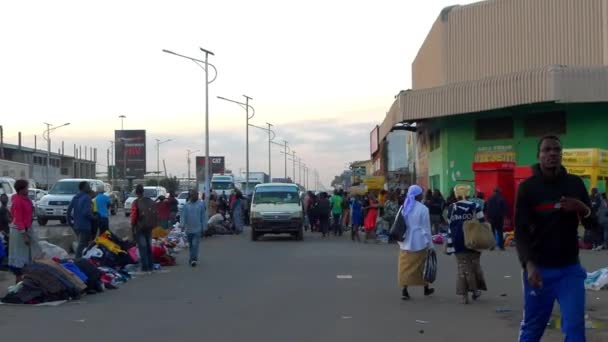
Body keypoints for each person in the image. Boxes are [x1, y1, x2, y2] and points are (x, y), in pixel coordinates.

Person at [515, 136, 597, 342]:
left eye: (557, 150)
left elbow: (593, 226)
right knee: (533, 327)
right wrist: (529, 264)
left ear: (561, 154)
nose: (552, 153)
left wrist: (581, 207)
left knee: (575, 326)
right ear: (539, 155)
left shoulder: (575, 184)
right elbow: (521, 230)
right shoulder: (528, 188)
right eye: (547, 150)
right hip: (539, 271)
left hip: (569, 270)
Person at [447, 184, 487, 304]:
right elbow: (482, 222)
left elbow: (450, 223)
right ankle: (475, 290)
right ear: (468, 194)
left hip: (457, 240)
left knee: (462, 267)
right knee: (474, 266)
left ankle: (464, 295)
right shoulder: (475, 206)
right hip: (473, 240)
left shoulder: (451, 207)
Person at [398, 185, 434, 300]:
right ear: (418, 195)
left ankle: (404, 290)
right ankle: (426, 288)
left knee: (404, 267)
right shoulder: (423, 209)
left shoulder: (404, 207)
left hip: (405, 241)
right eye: (421, 193)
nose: (422, 195)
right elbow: (426, 228)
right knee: (423, 265)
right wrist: (431, 244)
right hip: (419, 241)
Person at [8, 179, 39, 283]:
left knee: (28, 254)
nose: (27, 189)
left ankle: (26, 279)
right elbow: (18, 219)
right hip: (19, 231)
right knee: (19, 256)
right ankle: (19, 280)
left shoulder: (25, 199)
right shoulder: (17, 201)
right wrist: (24, 235)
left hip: (27, 228)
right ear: (20, 189)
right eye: (26, 187)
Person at [131, 184, 156, 273]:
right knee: (149, 246)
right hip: (149, 227)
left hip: (140, 228)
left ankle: (145, 266)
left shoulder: (136, 202)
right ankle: (151, 265)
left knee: (143, 247)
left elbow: (134, 216)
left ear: (136, 192)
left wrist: (133, 226)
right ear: (143, 191)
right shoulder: (149, 201)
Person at [67, 181, 94, 258]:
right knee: (83, 244)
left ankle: (81, 260)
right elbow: (86, 213)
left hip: (76, 225)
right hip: (85, 225)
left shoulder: (76, 197)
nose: (89, 187)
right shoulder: (87, 197)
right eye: (88, 186)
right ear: (83, 188)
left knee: (81, 243)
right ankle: (78, 261)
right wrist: (94, 218)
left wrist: (70, 222)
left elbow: (68, 210)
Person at [180, 190, 206, 267]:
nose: (196, 196)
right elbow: (183, 216)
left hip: (197, 228)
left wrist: (204, 228)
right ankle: (192, 258)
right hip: (189, 229)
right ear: (191, 196)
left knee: (195, 244)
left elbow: (203, 217)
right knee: (191, 245)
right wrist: (182, 225)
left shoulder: (201, 205)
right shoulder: (186, 205)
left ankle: (193, 259)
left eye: (196, 195)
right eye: (194, 195)